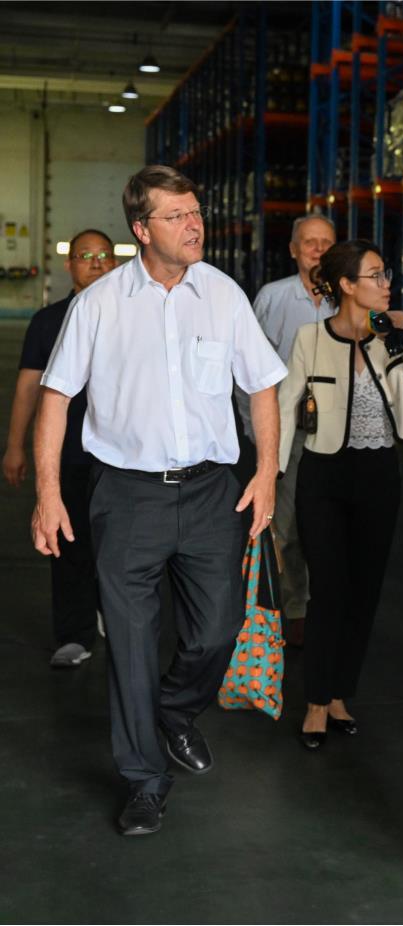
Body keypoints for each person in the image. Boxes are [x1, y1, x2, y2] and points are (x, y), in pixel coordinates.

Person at [31, 165, 284, 836]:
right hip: (127, 496)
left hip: (210, 492)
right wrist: (48, 494)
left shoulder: (222, 294)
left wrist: (266, 474)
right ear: (142, 231)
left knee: (217, 630)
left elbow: (262, 386)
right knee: (131, 644)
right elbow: (55, 398)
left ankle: (172, 709)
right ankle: (144, 779)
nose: (194, 224)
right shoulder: (100, 304)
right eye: (177, 216)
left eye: (195, 212)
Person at [276, 239, 403, 750]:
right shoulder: (310, 338)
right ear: (346, 285)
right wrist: (272, 473)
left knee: (364, 591)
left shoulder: (389, 334)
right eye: (375, 275)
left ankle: (341, 694)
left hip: (379, 472)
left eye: (386, 274)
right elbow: (286, 404)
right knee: (328, 588)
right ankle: (316, 701)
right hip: (323, 474)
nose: (386, 283)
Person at [4, 228, 116, 668]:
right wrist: (15, 446)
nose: (96, 262)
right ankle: (74, 634)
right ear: (69, 265)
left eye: (104, 255)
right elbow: (28, 387)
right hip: (68, 452)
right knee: (69, 542)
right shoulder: (49, 321)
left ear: (115, 263)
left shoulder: (134, 314)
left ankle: (112, 612)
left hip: (122, 455)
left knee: (120, 543)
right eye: (85, 255)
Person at [244, 213, 338, 640]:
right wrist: (257, 434)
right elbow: (247, 373)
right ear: (294, 250)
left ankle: (325, 611)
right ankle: (289, 610)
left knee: (328, 526)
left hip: (336, 436)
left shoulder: (348, 296)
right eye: (309, 242)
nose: (318, 250)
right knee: (283, 526)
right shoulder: (273, 297)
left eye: (326, 242)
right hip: (286, 432)